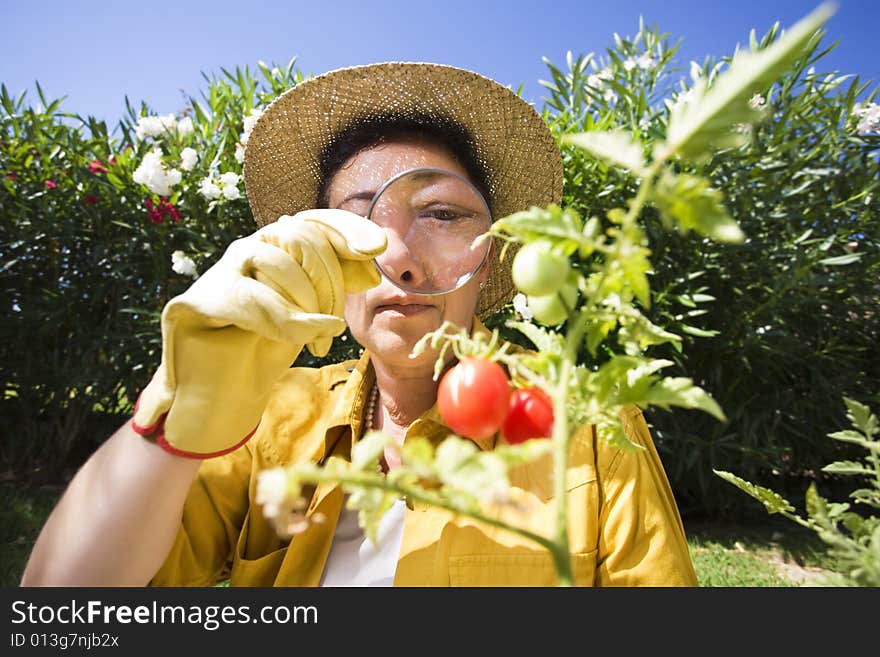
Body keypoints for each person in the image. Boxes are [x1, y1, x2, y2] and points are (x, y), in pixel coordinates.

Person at [21, 62, 697, 587]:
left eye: (442, 213)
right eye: (360, 226)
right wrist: (171, 431)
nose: (400, 260)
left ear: (489, 253)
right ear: (320, 260)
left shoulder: (591, 424)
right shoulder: (267, 420)